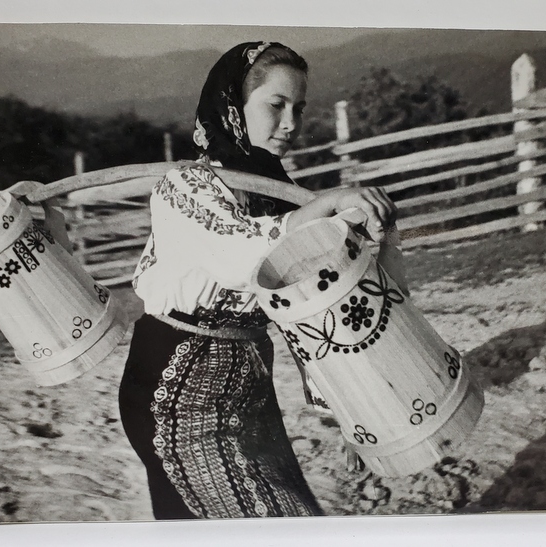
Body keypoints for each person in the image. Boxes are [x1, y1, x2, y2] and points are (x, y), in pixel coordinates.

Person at [118, 41, 396, 520]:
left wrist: (350, 415)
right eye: (276, 105)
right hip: (175, 390)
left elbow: (312, 316)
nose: (291, 124)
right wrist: (322, 208)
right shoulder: (187, 186)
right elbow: (243, 255)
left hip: (249, 392)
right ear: (233, 106)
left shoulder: (280, 197)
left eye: (299, 108)